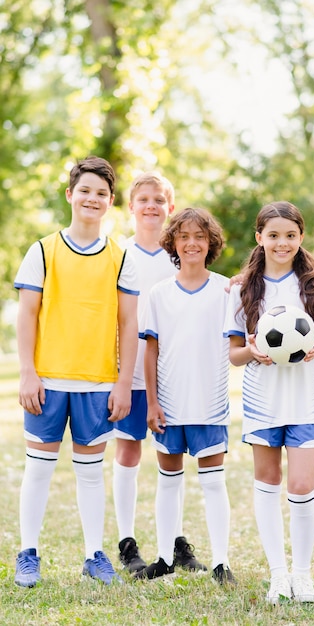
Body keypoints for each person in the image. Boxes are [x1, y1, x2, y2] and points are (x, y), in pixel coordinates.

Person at [13, 155, 139, 587]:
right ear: (70, 195)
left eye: (101, 193)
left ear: (110, 202)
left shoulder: (120, 258)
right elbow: (27, 315)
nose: (92, 198)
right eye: (84, 190)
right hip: (46, 381)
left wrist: (123, 383)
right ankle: (28, 552)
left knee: (90, 473)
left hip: (97, 382)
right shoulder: (43, 250)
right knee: (39, 470)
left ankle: (93, 555)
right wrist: (27, 373)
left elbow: (128, 324)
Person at [223, 201, 314, 604]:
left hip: (307, 395)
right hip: (263, 399)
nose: (282, 243)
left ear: (301, 237)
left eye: (290, 235)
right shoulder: (242, 289)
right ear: (259, 238)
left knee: (302, 484)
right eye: (273, 235)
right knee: (268, 482)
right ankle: (278, 575)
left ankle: (303, 575)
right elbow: (234, 353)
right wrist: (254, 352)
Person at [113, 172, 206, 574]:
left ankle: (174, 541)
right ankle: (126, 541)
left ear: (170, 207)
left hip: (172, 375)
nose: (151, 206)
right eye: (143, 199)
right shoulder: (118, 255)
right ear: (131, 207)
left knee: (172, 457)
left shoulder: (180, 257)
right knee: (129, 451)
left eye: (159, 200)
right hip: (127, 374)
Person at [137, 207, 235, 585]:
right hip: (170, 404)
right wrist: (152, 401)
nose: (192, 243)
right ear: (173, 243)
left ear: (210, 243)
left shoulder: (226, 290)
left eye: (200, 237)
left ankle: (222, 562)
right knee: (168, 481)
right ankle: (163, 558)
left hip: (210, 403)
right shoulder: (160, 294)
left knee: (213, 483)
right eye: (184, 237)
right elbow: (152, 350)